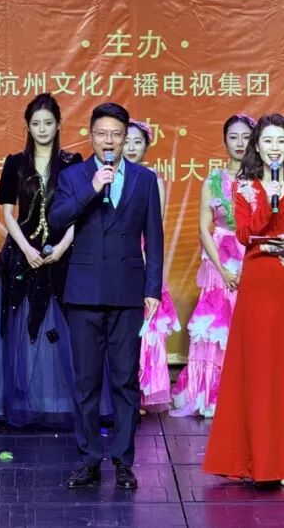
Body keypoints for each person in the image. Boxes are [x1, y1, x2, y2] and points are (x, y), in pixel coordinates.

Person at [203, 114, 284, 486]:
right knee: (258, 368)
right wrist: (267, 199)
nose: (275, 148)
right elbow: (245, 234)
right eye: (268, 141)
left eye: (281, 141)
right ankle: (258, 461)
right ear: (257, 146)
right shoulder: (245, 187)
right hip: (258, 281)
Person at [50, 102, 163, 490]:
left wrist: (152, 289)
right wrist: (92, 188)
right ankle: (88, 460)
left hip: (128, 293)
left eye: (116, 134)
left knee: (125, 381)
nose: (109, 140)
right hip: (83, 293)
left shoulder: (144, 179)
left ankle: (123, 461)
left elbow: (155, 238)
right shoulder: (74, 176)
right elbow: (56, 220)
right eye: (102, 133)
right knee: (86, 383)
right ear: (91, 136)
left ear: (126, 137)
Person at [0, 94, 83, 428]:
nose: (42, 129)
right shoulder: (15, 163)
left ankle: (60, 401)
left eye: (48, 123)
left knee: (63, 326)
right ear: (28, 127)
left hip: (63, 254)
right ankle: (22, 400)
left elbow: (80, 211)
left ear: (58, 124)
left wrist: (62, 246)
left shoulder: (73, 162)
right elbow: (8, 213)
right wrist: (27, 250)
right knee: (20, 328)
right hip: (21, 254)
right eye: (35, 124)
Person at [171, 113, 255, 418]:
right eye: (233, 137)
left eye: (246, 137)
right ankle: (210, 394)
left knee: (249, 327)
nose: (240, 143)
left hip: (254, 259)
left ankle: (248, 396)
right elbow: (204, 229)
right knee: (218, 328)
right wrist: (222, 270)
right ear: (224, 141)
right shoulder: (213, 181)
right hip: (220, 261)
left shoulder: (263, 181)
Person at [123, 118, 181, 412]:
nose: (132, 148)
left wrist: (148, 266)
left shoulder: (152, 180)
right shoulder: (107, 176)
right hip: (115, 261)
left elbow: (154, 228)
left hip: (142, 259)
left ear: (146, 147)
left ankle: (142, 391)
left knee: (145, 327)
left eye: (138, 142)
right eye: (127, 142)